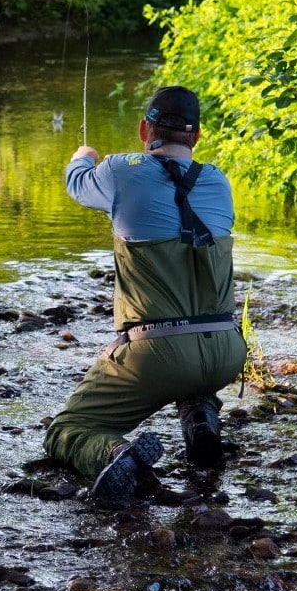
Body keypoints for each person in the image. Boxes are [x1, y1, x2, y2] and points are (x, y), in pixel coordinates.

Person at [44, 85, 247, 507]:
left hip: (157, 355)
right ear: (196, 136)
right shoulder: (219, 181)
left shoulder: (118, 171)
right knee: (194, 353)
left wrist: (82, 157)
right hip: (226, 350)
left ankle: (118, 457)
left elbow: (77, 185)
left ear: (143, 129)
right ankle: (201, 418)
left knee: (68, 429)